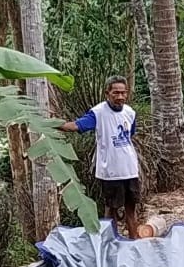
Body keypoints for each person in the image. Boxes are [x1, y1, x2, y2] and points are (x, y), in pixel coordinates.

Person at [60, 75, 141, 239]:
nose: (120, 97)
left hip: (130, 169)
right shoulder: (98, 113)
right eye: (115, 93)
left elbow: (129, 136)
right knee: (111, 209)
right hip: (110, 171)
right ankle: (110, 244)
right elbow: (76, 126)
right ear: (107, 93)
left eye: (123, 93)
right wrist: (52, 124)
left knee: (131, 209)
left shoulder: (130, 113)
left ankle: (135, 242)